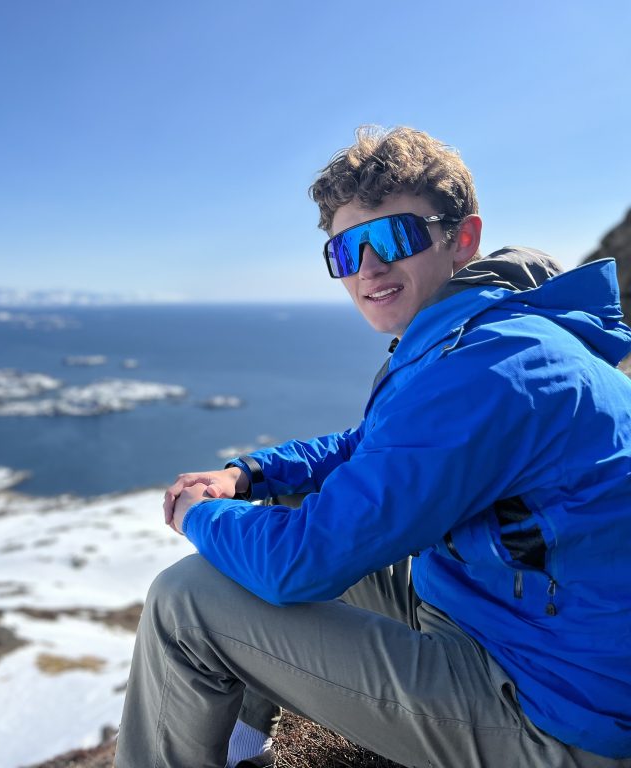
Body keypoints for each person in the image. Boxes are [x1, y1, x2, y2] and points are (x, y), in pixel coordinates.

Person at [113, 126, 631, 768]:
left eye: (393, 238)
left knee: (186, 600)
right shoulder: (490, 333)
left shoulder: (491, 370)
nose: (367, 268)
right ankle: (240, 744)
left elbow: (299, 563)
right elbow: (374, 445)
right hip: (513, 620)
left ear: (460, 239)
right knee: (266, 523)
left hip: (559, 718)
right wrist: (249, 476)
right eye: (344, 251)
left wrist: (196, 512)